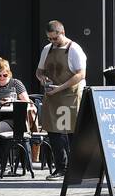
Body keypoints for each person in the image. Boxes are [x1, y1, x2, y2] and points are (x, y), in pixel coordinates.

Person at [35, 21, 86, 181]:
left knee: (72, 133)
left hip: (70, 95)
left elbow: (80, 75)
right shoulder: (46, 49)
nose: (52, 42)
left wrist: (60, 87)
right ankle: (61, 167)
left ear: (62, 32)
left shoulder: (75, 49)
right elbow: (39, 71)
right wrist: (42, 79)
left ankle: (77, 168)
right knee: (54, 133)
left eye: (55, 38)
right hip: (52, 96)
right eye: (50, 39)